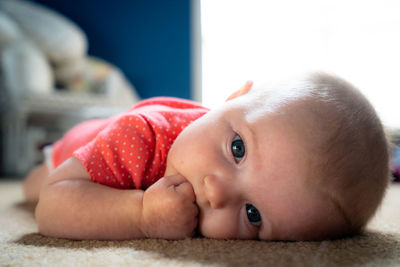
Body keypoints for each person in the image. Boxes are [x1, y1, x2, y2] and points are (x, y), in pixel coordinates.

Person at [23, 72, 390, 241]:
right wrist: (140, 216)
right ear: (232, 97)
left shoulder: (215, 151)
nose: (215, 193)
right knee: (33, 189)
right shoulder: (141, 134)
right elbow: (52, 208)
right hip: (85, 146)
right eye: (237, 149)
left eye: (253, 214)